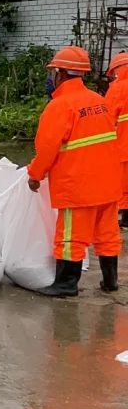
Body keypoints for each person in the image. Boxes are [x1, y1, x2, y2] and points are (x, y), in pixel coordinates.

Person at [28, 46, 121, 296]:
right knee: (107, 235)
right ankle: (111, 282)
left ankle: (66, 284)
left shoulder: (60, 106)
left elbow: (46, 149)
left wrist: (35, 175)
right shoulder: (100, 102)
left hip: (78, 186)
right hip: (109, 184)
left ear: (60, 73)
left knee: (70, 238)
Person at [104, 51, 128, 227]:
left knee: (123, 182)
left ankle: (125, 217)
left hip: (123, 144)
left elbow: (107, 118)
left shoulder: (116, 89)